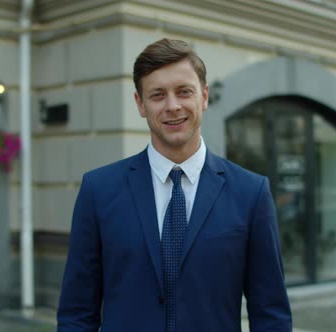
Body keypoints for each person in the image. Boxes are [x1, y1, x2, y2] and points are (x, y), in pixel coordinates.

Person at [57, 38, 292, 332]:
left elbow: (270, 314)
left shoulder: (251, 193)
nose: (172, 106)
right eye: (157, 95)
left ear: (204, 96)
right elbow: (77, 313)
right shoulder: (98, 190)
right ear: (140, 104)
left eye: (184, 92)